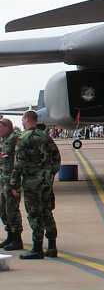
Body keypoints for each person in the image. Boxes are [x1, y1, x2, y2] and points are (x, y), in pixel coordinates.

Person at [9, 110, 61, 260]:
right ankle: (52, 246)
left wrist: (14, 185)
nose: (22, 123)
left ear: (26, 119)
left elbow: (18, 164)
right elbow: (56, 157)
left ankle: (37, 248)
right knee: (47, 212)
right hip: (45, 181)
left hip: (32, 182)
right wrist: (49, 174)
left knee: (34, 213)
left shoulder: (23, 138)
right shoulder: (45, 136)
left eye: (23, 120)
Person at [0, 118, 23, 251]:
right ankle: (9, 236)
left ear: (7, 127)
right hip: (3, 180)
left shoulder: (15, 139)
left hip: (12, 181)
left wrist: (15, 185)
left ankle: (17, 239)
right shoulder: (4, 139)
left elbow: (18, 162)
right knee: (3, 210)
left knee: (12, 210)